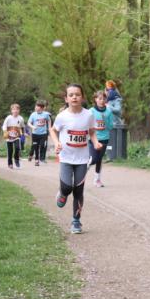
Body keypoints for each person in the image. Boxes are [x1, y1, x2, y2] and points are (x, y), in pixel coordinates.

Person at [50, 83, 101, 234]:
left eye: (77, 94)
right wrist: (57, 142)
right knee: (67, 188)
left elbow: (91, 132)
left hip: (82, 159)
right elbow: (53, 130)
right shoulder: (62, 116)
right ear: (66, 99)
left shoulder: (88, 115)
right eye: (71, 95)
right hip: (66, 157)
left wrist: (96, 142)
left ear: (82, 97)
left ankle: (76, 221)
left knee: (78, 191)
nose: (74, 97)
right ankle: (62, 193)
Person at [89, 90, 114, 186]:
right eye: (100, 99)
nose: (102, 101)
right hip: (93, 137)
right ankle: (82, 169)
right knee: (94, 159)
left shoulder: (108, 112)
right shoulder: (91, 111)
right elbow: (87, 125)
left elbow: (111, 126)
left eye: (104, 99)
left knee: (99, 159)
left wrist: (105, 122)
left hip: (104, 138)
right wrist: (95, 127)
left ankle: (97, 180)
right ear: (95, 99)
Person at [27, 100, 52, 165]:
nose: (36, 108)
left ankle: (41, 158)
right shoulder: (33, 114)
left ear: (42, 108)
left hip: (43, 133)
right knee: (35, 146)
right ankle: (36, 160)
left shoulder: (46, 114)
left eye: (38, 107)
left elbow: (49, 120)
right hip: (35, 133)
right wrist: (32, 127)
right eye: (36, 107)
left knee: (42, 145)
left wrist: (49, 128)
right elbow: (29, 123)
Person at [2, 103, 25, 169]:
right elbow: (4, 126)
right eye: (14, 109)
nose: (15, 111)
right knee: (10, 151)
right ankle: (10, 163)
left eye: (17, 109)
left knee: (17, 148)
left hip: (17, 136)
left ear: (19, 110)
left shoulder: (21, 118)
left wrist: (23, 135)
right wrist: (5, 131)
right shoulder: (8, 118)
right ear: (11, 111)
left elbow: (23, 126)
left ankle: (16, 159)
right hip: (9, 136)